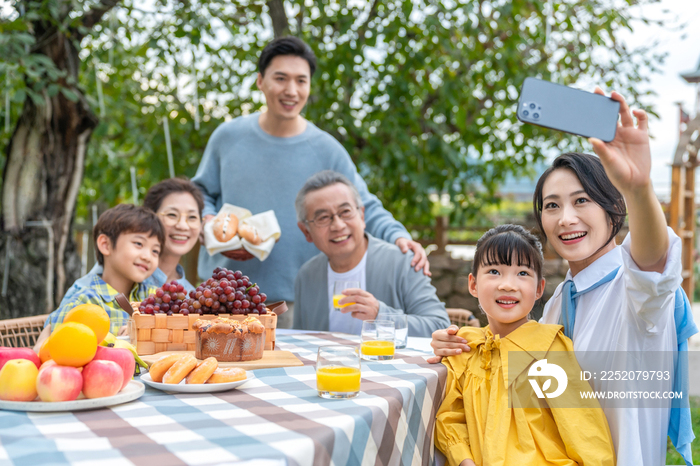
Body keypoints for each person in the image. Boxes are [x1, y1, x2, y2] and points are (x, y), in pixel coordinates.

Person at [430, 90, 697, 465]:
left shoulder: (633, 290)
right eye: (552, 205)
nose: (565, 218)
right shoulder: (557, 303)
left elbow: (653, 261)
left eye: (582, 200)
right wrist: (463, 344)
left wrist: (638, 188)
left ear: (614, 209)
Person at [192, 36, 429, 328]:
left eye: (301, 81)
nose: (291, 90)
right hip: (222, 298)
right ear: (260, 81)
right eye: (280, 78)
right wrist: (208, 221)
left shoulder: (326, 148)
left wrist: (397, 235)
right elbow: (201, 191)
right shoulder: (227, 137)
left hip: (292, 303)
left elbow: (362, 204)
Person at [435, 224, 615, 466]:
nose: (508, 284)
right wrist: (464, 460)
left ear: (539, 288)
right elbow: (450, 416)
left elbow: (583, 430)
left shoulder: (548, 350)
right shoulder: (467, 347)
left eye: (522, 273)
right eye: (494, 271)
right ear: (473, 284)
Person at [293, 171, 450, 336]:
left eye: (345, 212)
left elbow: (440, 326)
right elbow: (298, 341)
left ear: (361, 215)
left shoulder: (402, 262)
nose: (338, 225)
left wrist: (381, 314)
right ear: (306, 231)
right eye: (323, 217)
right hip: (328, 362)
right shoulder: (307, 276)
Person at [63, 177, 204, 299]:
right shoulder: (117, 275)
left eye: (192, 217)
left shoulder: (191, 296)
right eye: (172, 215)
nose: (183, 226)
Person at [41, 204, 164, 339]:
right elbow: (57, 347)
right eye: (139, 244)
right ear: (106, 245)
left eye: (155, 251)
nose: (147, 257)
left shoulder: (154, 297)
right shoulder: (84, 301)